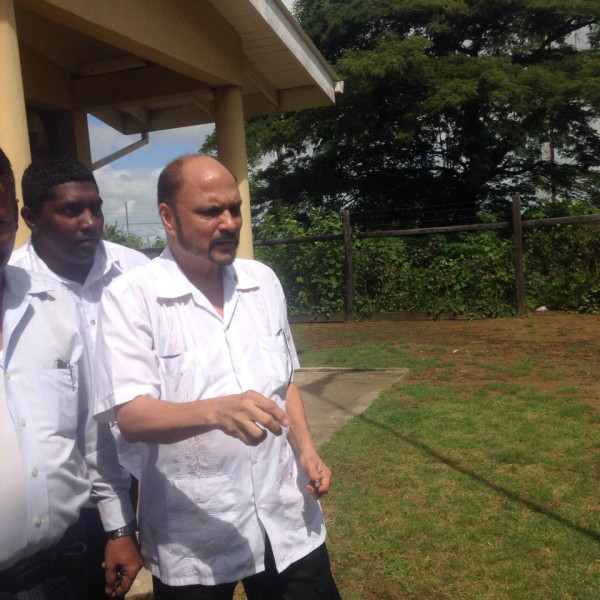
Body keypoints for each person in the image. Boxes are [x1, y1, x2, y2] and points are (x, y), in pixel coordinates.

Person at [94, 154, 341, 599]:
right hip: (194, 533)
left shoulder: (262, 281)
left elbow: (284, 383)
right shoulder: (132, 297)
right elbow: (131, 417)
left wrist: (306, 451)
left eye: (236, 208)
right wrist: (215, 410)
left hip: (286, 516)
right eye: (211, 211)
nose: (229, 222)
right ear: (168, 217)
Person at [0, 147, 143, 599]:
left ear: (13, 220)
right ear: (34, 217)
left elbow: (89, 431)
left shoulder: (59, 302)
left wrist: (120, 526)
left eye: (95, 207)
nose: (89, 221)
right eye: (70, 210)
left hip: (70, 550)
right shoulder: (33, 284)